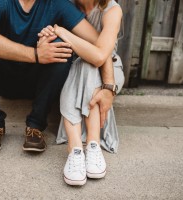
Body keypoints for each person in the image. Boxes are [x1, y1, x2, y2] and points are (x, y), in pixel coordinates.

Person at [0, 0, 115, 154]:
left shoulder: (57, 4)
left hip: (39, 83)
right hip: (3, 79)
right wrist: (35, 54)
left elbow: (99, 44)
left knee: (61, 46)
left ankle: (35, 126)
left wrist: (108, 85)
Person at [38, 0, 124, 186]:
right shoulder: (65, 5)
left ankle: (77, 146)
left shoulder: (112, 9)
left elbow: (100, 56)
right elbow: (49, 33)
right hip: (74, 67)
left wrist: (63, 32)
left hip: (110, 67)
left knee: (88, 65)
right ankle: (88, 147)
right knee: (81, 65)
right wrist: (48, 34)